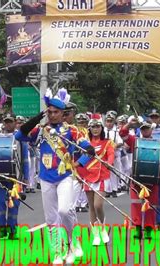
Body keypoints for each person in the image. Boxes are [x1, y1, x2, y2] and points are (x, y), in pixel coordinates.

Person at [15, 88, 94, 263]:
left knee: (65, 211)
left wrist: (78, 163)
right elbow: (19, 135)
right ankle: (58, 251)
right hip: (45, 178)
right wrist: (37, 118)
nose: (52, 115)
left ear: (62, 113)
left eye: (55, 112)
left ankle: (73, 242)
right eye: (49, 112)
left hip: (65, 176)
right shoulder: (40, 130)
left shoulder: (72, 131)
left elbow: (90, 150)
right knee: (51, 218)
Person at [119, 121, 160, 239]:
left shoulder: (158, 144)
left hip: (153, 180)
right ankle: (137, 228)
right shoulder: (135, 141)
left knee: (150, 206)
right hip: (137, 178)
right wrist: (129, 124)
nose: (145, 130)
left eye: (147, 128)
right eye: (143, 129)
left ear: (151, 130)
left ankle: (148, 230)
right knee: (136, 205)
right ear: (140, 130)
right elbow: (122, 133)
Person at [75, 117, 114, 245]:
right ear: (89, 129)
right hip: (88, 175)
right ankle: (95, 234)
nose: (95, 129)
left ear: (101, 128)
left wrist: (109, 163)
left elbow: (111, 155)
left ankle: (102, 227)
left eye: (98, 127)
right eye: (93, 127)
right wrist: (78, 172)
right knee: (91, 206)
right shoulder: (85, 143)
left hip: (102, 175)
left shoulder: (107, 142)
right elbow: (81, 159)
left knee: (98, 205)